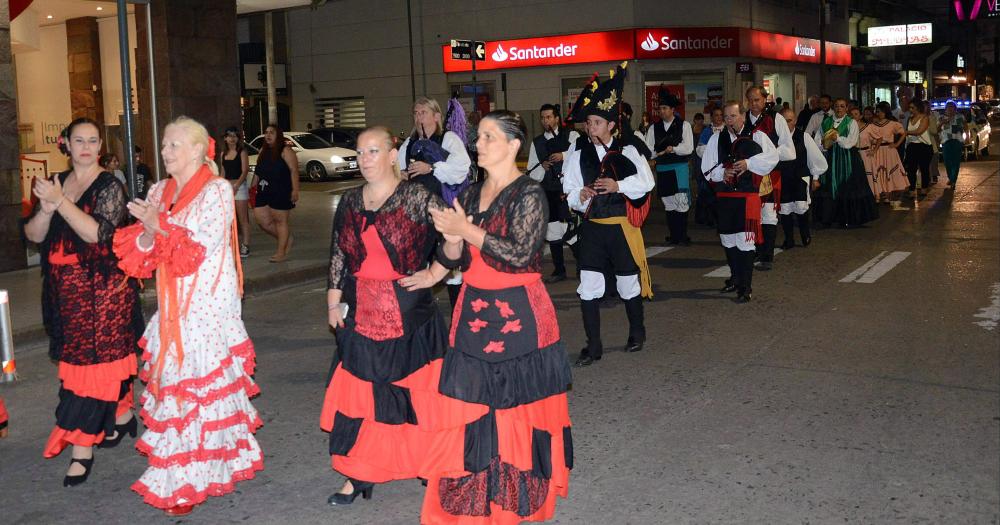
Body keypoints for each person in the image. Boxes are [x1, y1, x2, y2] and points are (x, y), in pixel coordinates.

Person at [422, 110, 573, 524]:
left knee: (514, 415)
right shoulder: (469, 194)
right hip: (472, 312)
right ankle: (474, 497)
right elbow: (455, 257)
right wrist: (451, 240)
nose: (480, 143)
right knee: (471, 409)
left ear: (513, 145)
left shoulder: (530, 194)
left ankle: (513, 501)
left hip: (519, 316)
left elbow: (521, 255)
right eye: (479, 136)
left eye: (489, 137)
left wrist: (466, 232)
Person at [114, 116, 260, 515]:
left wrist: (156, 224)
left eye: (174, 145)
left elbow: (198, 246)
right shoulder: (160, 189)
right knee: (178, 391)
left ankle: (199, 473)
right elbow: (145, 254)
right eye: (164, 145)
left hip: (207, 307)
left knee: (199, 389)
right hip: (172, 305)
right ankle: (182, 475)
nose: (165, 152)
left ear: (198, 149)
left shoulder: (216, 191)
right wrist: (146, 232)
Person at [319, 126, 456, 507]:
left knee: (418, 395)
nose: (364, 160)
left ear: (393, 155)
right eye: (360, 153)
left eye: (373, 151)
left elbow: (455, 237)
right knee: (362, 397)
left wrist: (434, 274)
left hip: (409, 312)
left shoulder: (416, 196)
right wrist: (332, 304)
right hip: (360, 309)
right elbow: (338, 256)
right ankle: (359, 474)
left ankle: (432, 465)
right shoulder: (349, 201)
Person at [23, 117, 143, 486]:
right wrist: (46, 207)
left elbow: (98, 235)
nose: (87, 146)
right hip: (63, 293)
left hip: (102, 292)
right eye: (79, 140)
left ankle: (80, 449)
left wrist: (60, 202)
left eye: (93, 140)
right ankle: (121, 415)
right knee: (86, 364)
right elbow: (32, 235)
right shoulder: (55, 182)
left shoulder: (109, 184)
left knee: (89, 371)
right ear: (66, 144)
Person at [565, 63, 654, 367]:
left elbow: (646, 182)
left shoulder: (628, 151)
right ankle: (594, 346)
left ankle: (637, 332)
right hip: (592, 228)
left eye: (597, 123)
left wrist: (619, 184)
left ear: (611, 125)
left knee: (629, 283)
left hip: (621, 227)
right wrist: (580, 195)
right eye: (588, 123)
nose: (591, 128)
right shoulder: (577, 154)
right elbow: (569, 188)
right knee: (588, 286)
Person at [700, 101, 778, 303]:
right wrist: (722, 172)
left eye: (732, 116)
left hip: (747, 197)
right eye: (725, 117)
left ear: (742, 116)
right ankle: (735, 278)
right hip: (725, 197)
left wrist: (749, 163)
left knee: (745, 242)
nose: (728, 120)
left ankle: (746, 286)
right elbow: (706, 167)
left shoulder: (758, 136)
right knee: (728, 240)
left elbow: (772, 158)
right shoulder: (717, 139)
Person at [398, 97, 473, 304]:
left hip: (443, 212)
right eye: (415, 113)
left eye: (423, 112)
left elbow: (461, 168)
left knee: (450, 264)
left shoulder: (448, 139)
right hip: (415, 215)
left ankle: (458, 313)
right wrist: (400, 175)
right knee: (417, 263)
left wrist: (432, 168)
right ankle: (418, 311)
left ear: (437, 116)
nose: (418, 116)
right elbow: (395, 169)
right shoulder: (410, 143)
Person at [526, 104, 579, 283]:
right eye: (543, 118)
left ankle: (584, 265)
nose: (545, 121)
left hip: (568, 190)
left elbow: (581, 154)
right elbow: (531, 170)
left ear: (557, 118)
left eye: (549, 117)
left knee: (571, 230)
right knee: (553, 230)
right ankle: (559, 269)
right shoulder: (537, 142)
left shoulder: (571, 135)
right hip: (548, 191)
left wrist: (563, 156)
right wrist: (542, 167)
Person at [745, 85, 795, 271]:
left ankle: (767, 255)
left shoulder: (776, 118)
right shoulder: (743, 119)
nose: (753, 103)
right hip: (749, 174)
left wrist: (768, 153)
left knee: (768, 213)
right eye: (750, 100)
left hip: (770, 174)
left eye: (757, 99)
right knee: (752, 212)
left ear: (765, 99)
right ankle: (755, 250)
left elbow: (789, 150)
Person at [813, 98, 879, 228]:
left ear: (846, 108)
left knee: (847, 186)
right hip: (830, 157)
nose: (839, 109)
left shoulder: (851, 123)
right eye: (837, 106)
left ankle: (848, 218)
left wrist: (837, 138)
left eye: (842, 106)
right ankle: (828, 218)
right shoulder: (826, 121)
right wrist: (823, 145)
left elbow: (851, 142)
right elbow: (818, 139)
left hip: (847, 158)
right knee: (829, 186)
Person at [646, 87, 694, 245]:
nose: (662, 111)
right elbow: (648, 150)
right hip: (663, 168)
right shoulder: (654, 128)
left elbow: (688, 148)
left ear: (672, 109)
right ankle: (674, 235)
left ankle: (682, 235)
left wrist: (673, 148)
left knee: (681, 202)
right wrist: (656, 153)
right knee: (669, 203)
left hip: (679, 167)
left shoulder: (684, 125)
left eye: (665, 108)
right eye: (660, 108)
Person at [777, 107, 827, 248]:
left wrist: (815, 178)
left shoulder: (803, 136)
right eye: (784, 121)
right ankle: (789, 239)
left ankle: (805, 234)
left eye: (790, 120)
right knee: (785, 210)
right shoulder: (776, 138)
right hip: (783, 178)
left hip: (800, 177)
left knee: (801, 208)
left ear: (795, 120)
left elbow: (814, 158)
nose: (787, 124)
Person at [252, 123, 299, 262]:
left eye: (271, 132)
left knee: (280, 221)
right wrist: (252, 187)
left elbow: (294, 170)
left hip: (281, 190)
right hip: (263, 190)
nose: (268, 135)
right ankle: (286, 238)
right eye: (266, 132)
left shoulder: (286, 150)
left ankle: (281, 253)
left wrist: (295, 189)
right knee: (262, 221)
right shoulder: (263, 151)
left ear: (278, 135)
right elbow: (258, 172)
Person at [860, 103, 909, 206]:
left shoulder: (892, 123)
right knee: (878, 172)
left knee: (887, 171)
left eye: (881, 111)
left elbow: (903, 133)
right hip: (876, 149)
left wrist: (897, 144)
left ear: (886, 112)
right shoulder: (872, 125)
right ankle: (880, 194)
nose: (879, 113)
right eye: (877, 111)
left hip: (888, 150)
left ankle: (888, 195)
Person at [219, 127, 252, 257]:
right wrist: (220, 186)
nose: (232, 139)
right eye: (229, 136)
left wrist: (237, 185)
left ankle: (245, 244)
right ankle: (230, 244)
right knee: (227, 218)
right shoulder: (223, 154)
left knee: (242, 218)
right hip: (227, 187)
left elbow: (245, 171)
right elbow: (222, 172)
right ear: (225, 138)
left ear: (238, 138)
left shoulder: (242, 152)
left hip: (240, 186)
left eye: (235, 136)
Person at [694, 106, 725, 227]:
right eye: (716, 115)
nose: (719, 117)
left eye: (721, 115)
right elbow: (699, 149)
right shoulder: (707, 131)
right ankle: (707, 219)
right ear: (712, 117)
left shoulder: (728, 130)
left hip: (723, 168)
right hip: (708, 169)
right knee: (706, 194)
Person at [903, 100, 934, 197]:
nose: (911, 110)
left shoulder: (925, 118)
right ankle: (912, 190)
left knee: (924, 168)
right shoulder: (909, 118)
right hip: (912, 146)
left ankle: (924, 188)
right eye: (910, 108)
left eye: (913, 108)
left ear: (918, 108)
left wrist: (906, 132)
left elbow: (919, 131)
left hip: (924, 146)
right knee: (911, 169)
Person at [938, 101, 968, 188]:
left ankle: (953, 180)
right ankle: (951, 178)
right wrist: (942, 123)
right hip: (946, 141)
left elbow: (966, 127)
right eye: (948, 107)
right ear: (945, 109)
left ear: (955, 109)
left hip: (957, 141)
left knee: (956, 162)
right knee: (947, 161)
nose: (950, 109)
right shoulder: (941, 117)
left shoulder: (960, 117)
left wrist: (967, 138)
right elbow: (937, 129)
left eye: (952, 107)